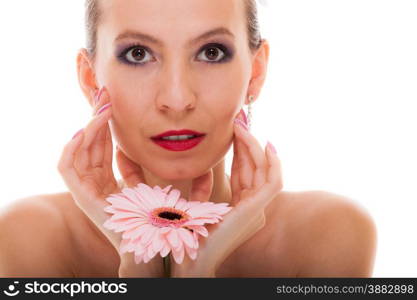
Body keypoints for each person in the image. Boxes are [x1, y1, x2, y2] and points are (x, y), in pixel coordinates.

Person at [0, 0, 377, 278]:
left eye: (211, 53)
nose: (177, 100)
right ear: (90, 79)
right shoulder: (27, 238)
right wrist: (139, 267)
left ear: (256, 72)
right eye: (138, 53)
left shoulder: (328, 234)